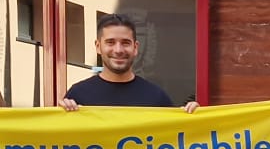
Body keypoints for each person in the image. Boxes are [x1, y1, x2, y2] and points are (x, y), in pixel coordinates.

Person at [59, 14, 198, 111]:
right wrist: (61, 116)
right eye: (110, 42)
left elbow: (177, 142)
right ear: (98, 46)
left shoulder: (156, 98)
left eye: (125, 43)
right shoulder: (78, 95)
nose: (118, 50)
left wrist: (194, 118)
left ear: (135, 47)